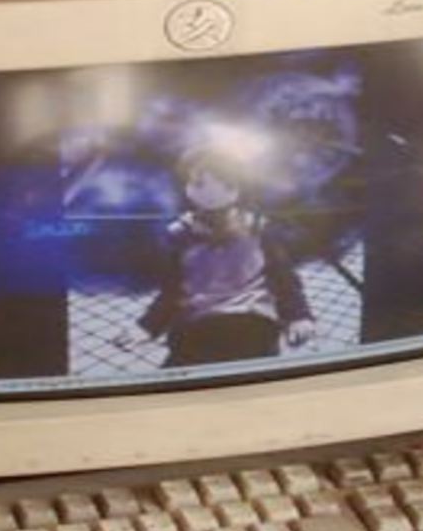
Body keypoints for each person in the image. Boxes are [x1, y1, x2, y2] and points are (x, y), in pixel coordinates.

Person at [125, 146, 315, 366]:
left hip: (253, 325)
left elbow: (283, 279)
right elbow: (172, 290)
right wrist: (147, 327)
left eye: (229, 184)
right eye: (194, 183)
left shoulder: (258, 228)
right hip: (195, 328)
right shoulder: (180, 233)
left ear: (237, 188)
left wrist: (299, 317)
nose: (211, 190)